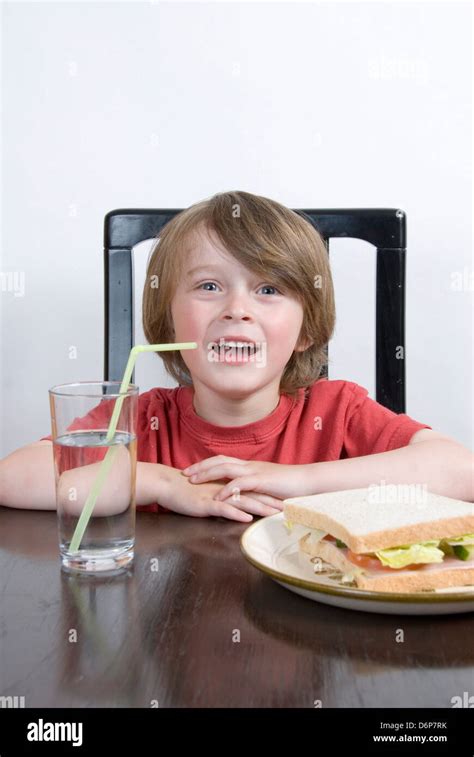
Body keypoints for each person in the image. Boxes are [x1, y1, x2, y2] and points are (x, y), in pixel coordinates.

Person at [1, 191, 472, 520]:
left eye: (268, 289)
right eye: (209, 286)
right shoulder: (139, 420)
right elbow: (13, 477)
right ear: (168, 323)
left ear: (306, 330)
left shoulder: (337, 412)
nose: (236, 310)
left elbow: (460, 473)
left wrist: (298, 481)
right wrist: (164, 484)